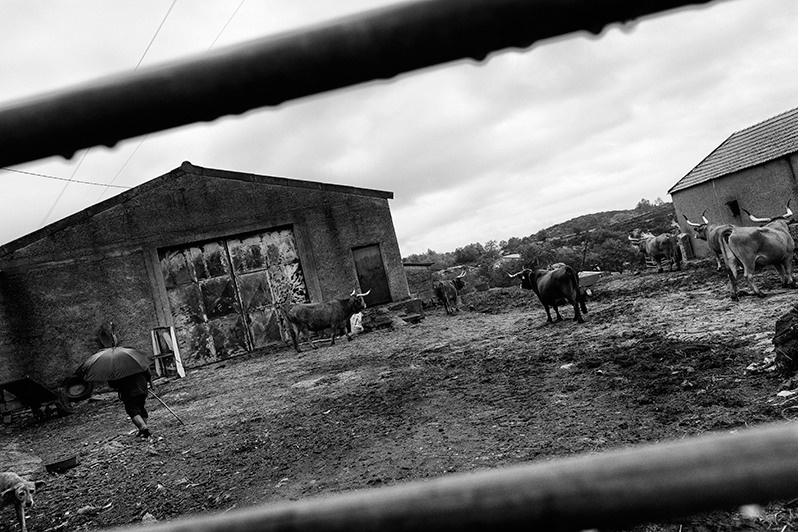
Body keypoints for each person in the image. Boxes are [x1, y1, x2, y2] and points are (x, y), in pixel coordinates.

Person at [108, 370, 153, 438]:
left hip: (129, 391)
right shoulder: (135, 361)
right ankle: (143, 429)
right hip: (142, 387)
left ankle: (143, 428)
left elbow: (112, 384)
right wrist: (150, 383)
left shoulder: (114, 367)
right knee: (141, 407)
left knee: (132, 410)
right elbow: (147, 373)